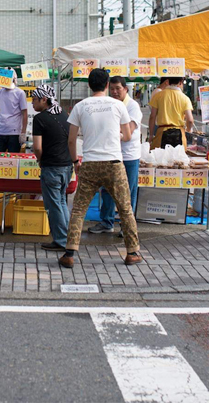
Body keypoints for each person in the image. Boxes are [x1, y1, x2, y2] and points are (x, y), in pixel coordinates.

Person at [60, 69, 142, 269]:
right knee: (125, 208)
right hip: (114, 163)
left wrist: (75, 163)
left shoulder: (80, 106)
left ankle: (70, 253)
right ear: (106, 85)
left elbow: (71, 139)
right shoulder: (118, 106)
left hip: (89, 163)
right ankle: (132, 252)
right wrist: (114, 137)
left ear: (89, 85)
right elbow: (128, 136)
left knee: (79, 209)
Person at [89, 76, 143, 235]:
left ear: (126, 89)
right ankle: (106, 222)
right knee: (107, 189)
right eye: (111, 88)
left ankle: (126, 227)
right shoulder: (108, 104)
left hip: (129, 155)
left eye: (118, 88)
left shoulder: (132, 106)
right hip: (110, 154)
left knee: (128, 191)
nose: (114, 91)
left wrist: (111, 133)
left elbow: (129, 129)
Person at [31, 85, 72, 251]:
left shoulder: (40, 119)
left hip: (51, 166)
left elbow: (37, 147)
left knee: (54, 205)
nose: (32, 103)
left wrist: (40, 160)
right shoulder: (65, 115)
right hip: (67, 166)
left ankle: (61, 241)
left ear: (43, 99)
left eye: (34, 100)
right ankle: (69, 237)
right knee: (61, 201)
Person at [148, 77, 194, 149]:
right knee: (178, 159)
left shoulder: (158, 95)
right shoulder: (185, 98)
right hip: (179, 134)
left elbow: (152, 116)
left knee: (160, 158)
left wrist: (151, 135)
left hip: (161, 133)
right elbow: (190, 120)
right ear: (180, 82)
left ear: (168, 81)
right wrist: (188, 130)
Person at [0, 73, 28, 153]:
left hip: (14, 132)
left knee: (13, 159)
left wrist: (23, 132)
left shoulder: (20, 93)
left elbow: (24, 113)